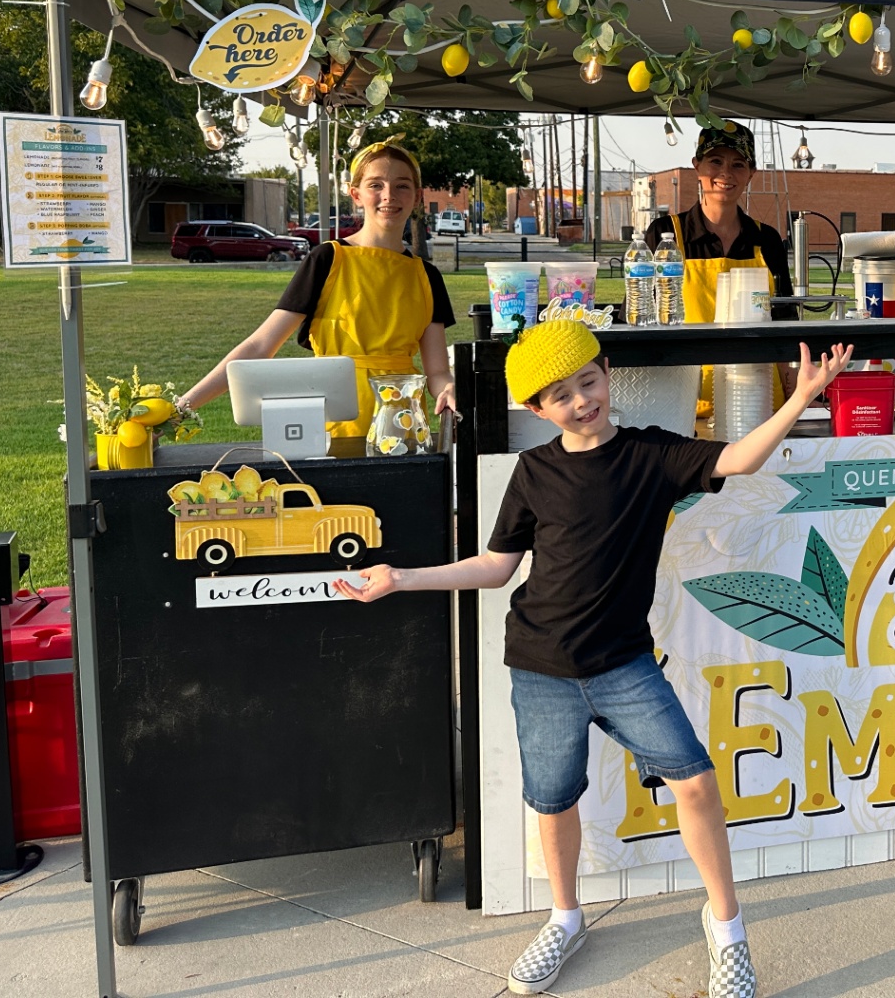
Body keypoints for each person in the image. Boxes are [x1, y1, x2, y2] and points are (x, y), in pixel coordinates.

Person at [336, 317, 854, 998]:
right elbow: (497, 568)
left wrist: (800, 397)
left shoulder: (652, 456)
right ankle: (564, 918)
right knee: (553, 802)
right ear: (535, 410)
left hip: (623, 668)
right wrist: (401, 578)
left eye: (588, 381)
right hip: (540, 667)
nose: (582, 400)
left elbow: (737, 459)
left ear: (606, 373)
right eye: (561, 395)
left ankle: (727, 929)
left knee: (695, 783)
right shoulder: (533, 470)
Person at [180, 140, 457, 438]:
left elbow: (437, 371)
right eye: (375, 184)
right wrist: (182, 407)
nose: (388, 195)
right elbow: (259, 346)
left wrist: (449, 388)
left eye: (402, 186)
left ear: (417, 197)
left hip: (402, 429)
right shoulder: (328, 259)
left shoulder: (426, 276)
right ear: (356, 194)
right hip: (331, 424)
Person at [645, 121, 797, 406]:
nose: (726, 173)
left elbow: (784, 323)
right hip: (685, 401)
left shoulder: (767, 239)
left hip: (759, 399)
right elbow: (644, 322)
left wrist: (795, 396)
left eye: (739, 164)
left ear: (752, 174)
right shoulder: (666, 235)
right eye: (715, 161)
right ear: (697, 165)